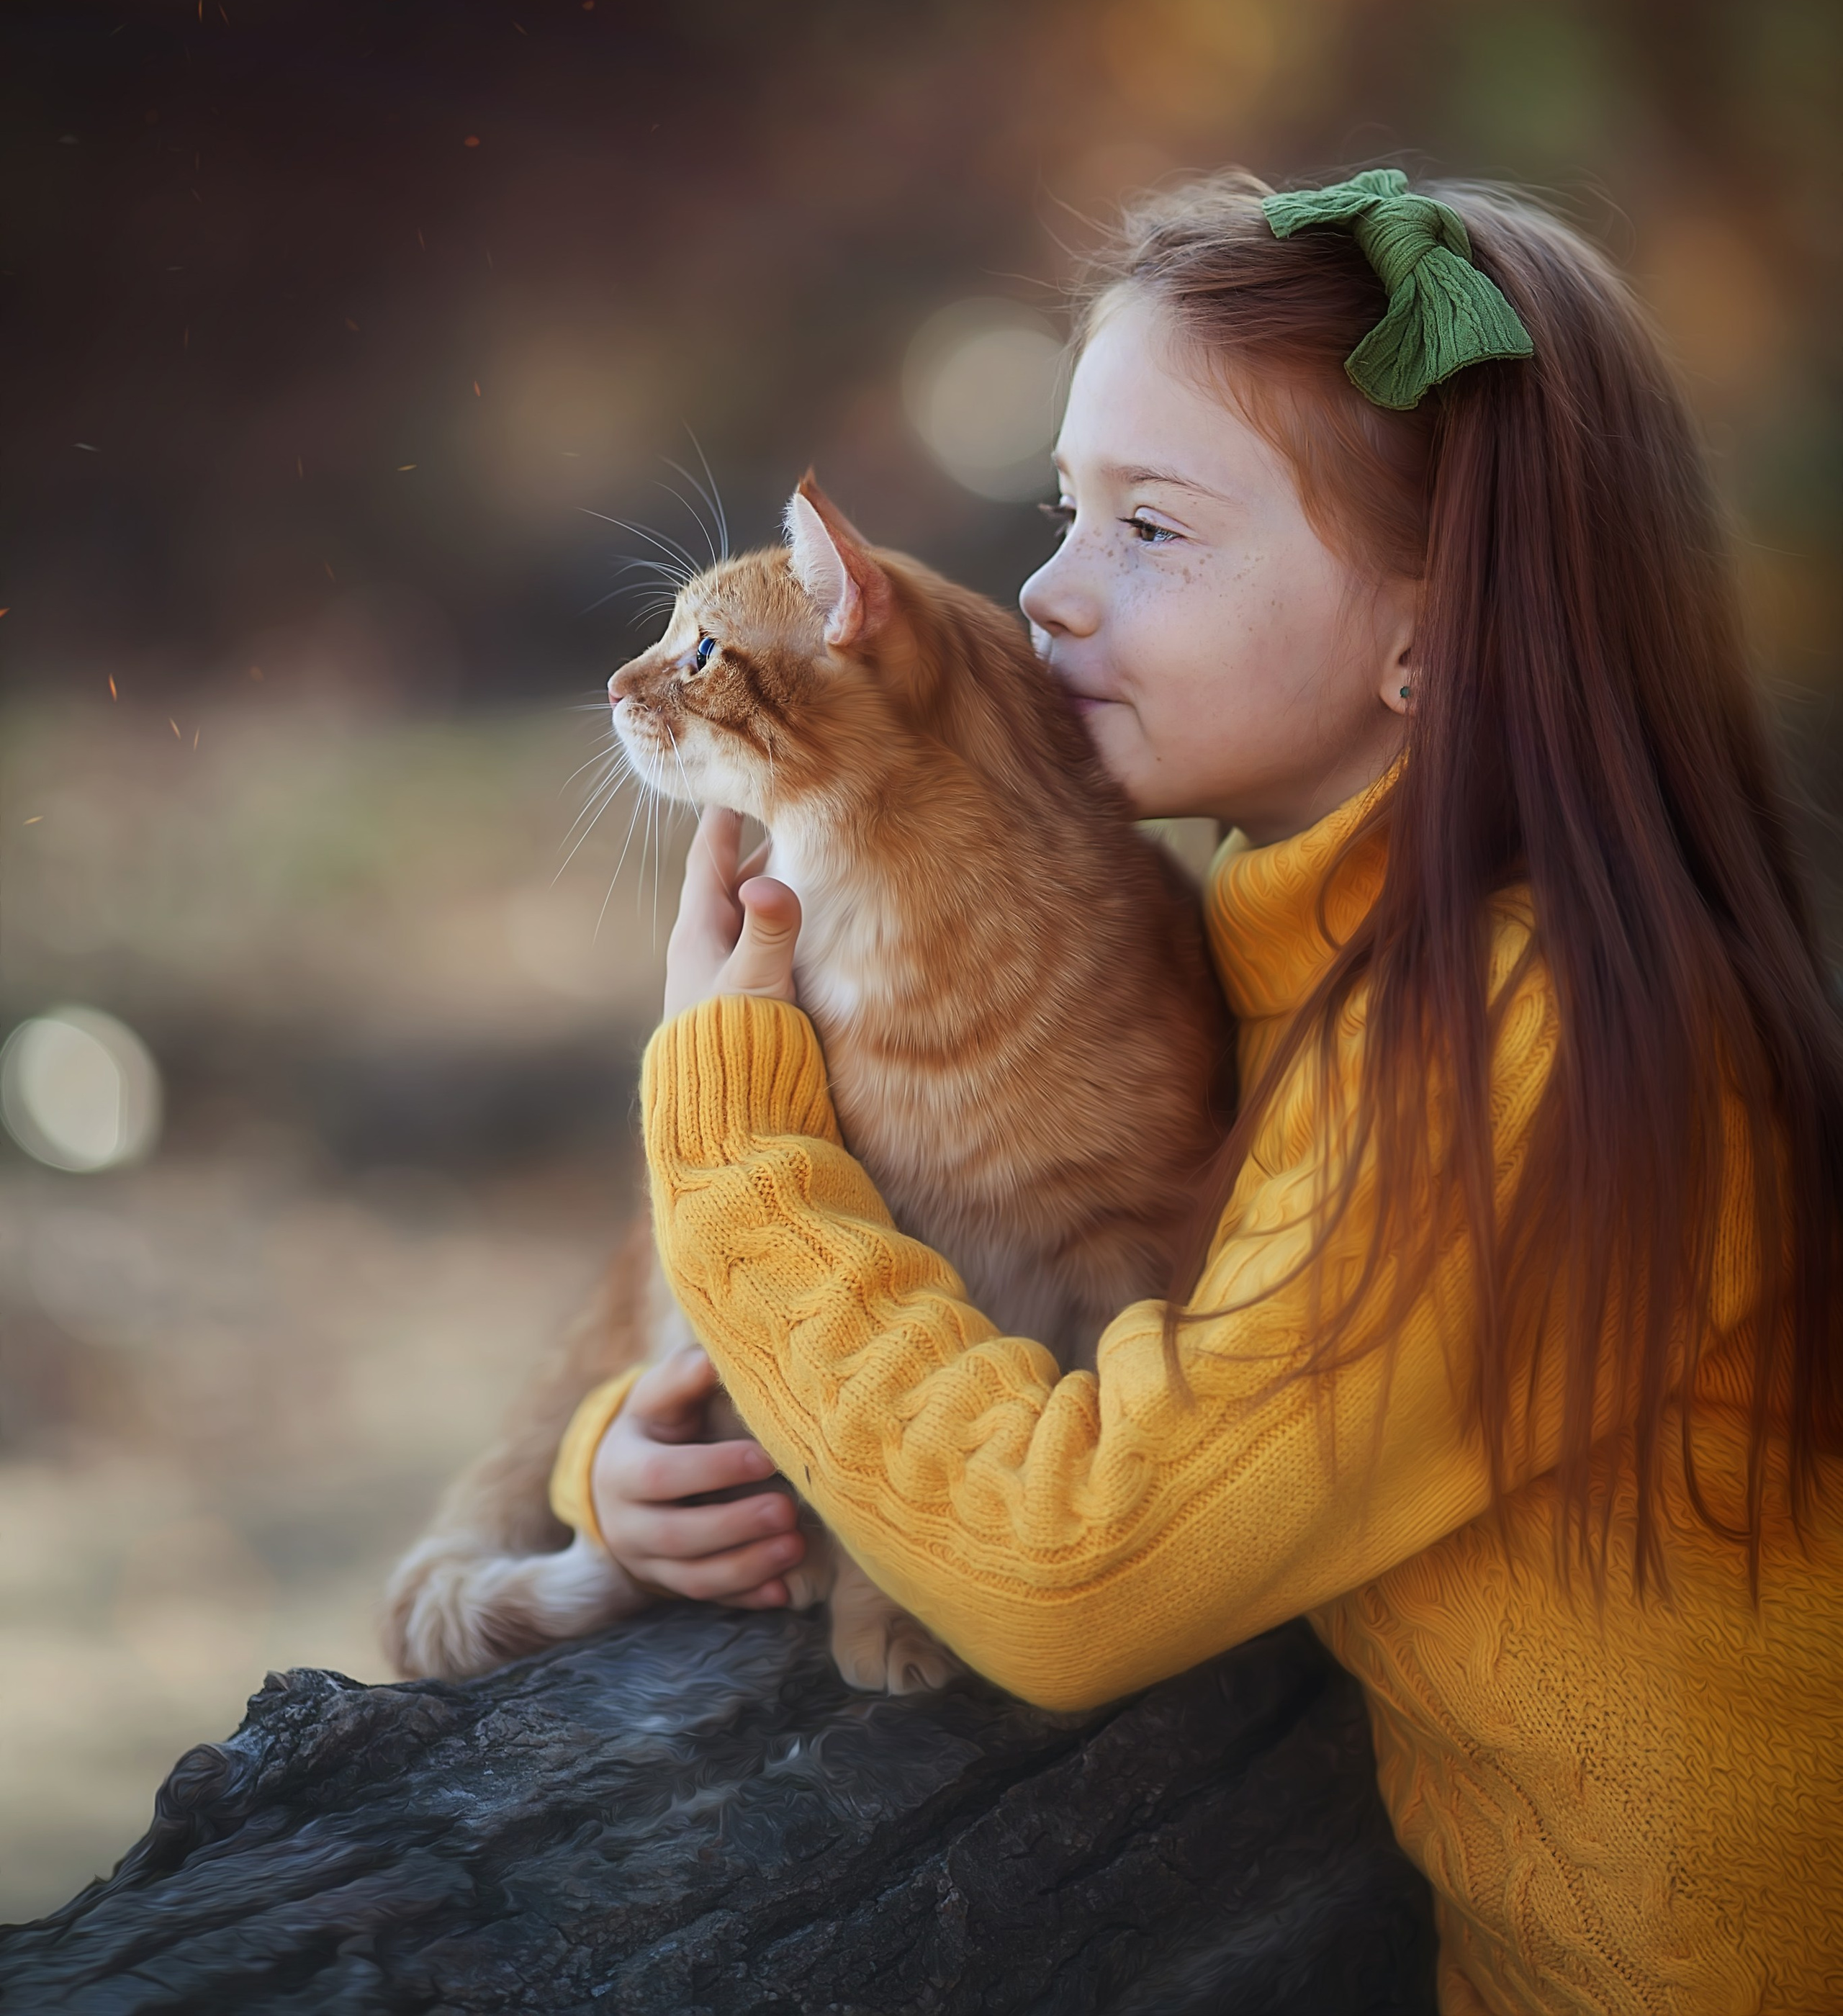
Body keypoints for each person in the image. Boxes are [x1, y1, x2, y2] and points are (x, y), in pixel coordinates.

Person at [556, 171, 1843, 2012]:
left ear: (1429, 639)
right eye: (1060, 511)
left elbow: (1074, 1572)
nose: (1046, 592)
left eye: (1149, 529)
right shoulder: (1271, 960)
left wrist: (732, 1136)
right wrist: (632, 1462)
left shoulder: (1515, 1036)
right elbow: (1051, 1312)